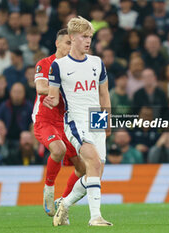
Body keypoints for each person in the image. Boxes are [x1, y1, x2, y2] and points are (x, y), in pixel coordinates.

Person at [45, 17, 112, 226]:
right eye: (84, 37)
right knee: (91, 160)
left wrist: (107, 119)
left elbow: (104, 94)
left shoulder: (97, 63)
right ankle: (95, 217)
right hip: (75, 118)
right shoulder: (59, 66)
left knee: (96, 169)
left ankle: (64, 204)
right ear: (72, 38)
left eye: (90, 37)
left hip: (96, 118)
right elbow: (55, 96)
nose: (88, 41)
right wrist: (51, 99)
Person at [32, 28, 85, 217]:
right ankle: (48, 188)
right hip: (45, 119)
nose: (71, 47)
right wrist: (59, 88)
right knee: (58, 149)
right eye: (68, 43)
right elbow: (40, 87)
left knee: (83, 169)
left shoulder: (77, 67)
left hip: (66, 123)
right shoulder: (45, 63)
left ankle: (62, 203)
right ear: (57, 44)